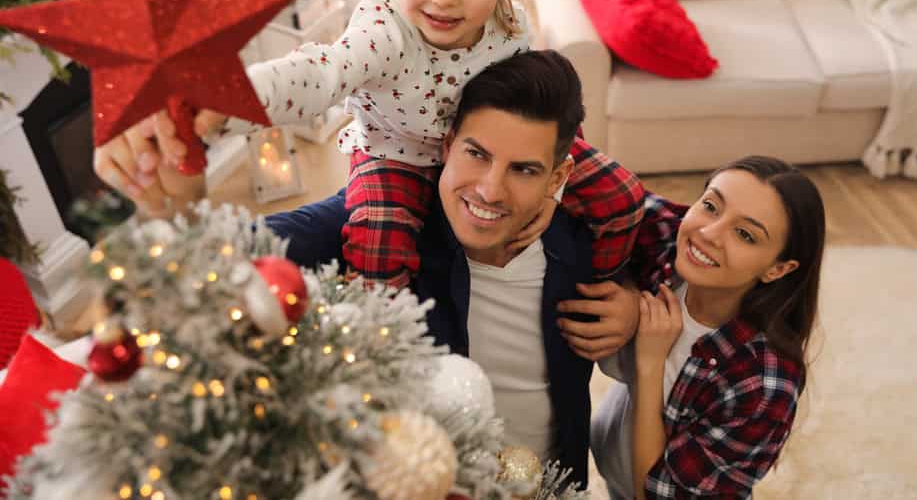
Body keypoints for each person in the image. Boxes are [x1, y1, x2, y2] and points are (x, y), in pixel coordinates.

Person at [95, 49, 643, 488]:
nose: (490, 190)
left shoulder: (583, 242)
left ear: (558, 177)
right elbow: (230, 255)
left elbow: (708, 236)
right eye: (476, 154)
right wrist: (172, 198)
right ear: (446, 145)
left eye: (524, 169)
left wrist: (635, 304)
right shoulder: (385, 225)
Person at [175, 0, 644, 291]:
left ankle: (586, 293)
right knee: (379, 247)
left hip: (490, 150)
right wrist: (225, 97)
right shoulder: (383, 31)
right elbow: (318, 74)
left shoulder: (512, 26)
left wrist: (552, 187)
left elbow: (545, 106)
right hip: (395, 153)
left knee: (620, 194)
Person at [591, 156, 825, 500]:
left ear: (777, 269)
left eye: (744, 234)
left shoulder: (762, 385)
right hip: (611, 480)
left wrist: (650, 364)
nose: (709, 234)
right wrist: (628, 295)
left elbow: (656, 495)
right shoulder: (673, 246)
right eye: (712, 206)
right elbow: (585, 170)